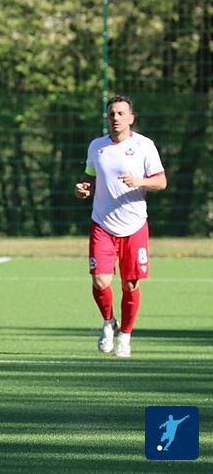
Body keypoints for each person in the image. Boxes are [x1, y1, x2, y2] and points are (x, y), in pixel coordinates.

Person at [74, 94, 166, 358]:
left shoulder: (144, 146)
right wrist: (82, 188)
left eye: (121, 113)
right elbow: (89, 176)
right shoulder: (97, 146)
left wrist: (140, 181)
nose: (116, 118)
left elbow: (161, 182)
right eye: (112, 113)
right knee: (100, 280)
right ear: (107, 117)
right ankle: (108, 322)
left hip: (134, 226)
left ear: (131, 118)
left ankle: (125, 335)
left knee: (131, 285)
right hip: (102, 224)